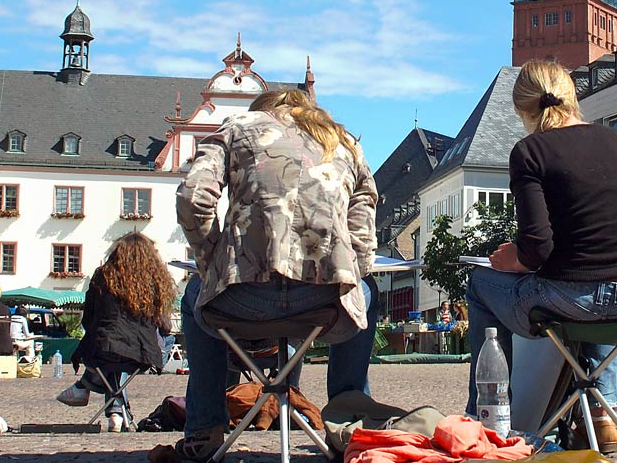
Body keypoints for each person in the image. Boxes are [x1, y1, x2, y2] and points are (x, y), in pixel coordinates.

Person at [464, 60, 617, 455]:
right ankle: (605, 410)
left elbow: (537, 249)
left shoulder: (530, 151)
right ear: (573, 98)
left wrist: (510, 260)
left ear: (523, 111)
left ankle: (488, 415)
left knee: (480, 285)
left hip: (574, 298)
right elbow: (613, 236)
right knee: (603, 287)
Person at [174, 88, 378, 461]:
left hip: (242, 298)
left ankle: (204, 429)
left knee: (192, 298)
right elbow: (364, 220)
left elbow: (193, 197)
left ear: (263, 110)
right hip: (325, 303)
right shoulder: (343, 140)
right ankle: (347, 426)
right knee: (367, 293)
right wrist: (355, 270)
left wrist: (211, 260)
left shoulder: (236, 127)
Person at [57, 231, 176, 433]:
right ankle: (115, 412)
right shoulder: (155, 281)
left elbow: (88, 318)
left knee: (112, 355)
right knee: (120, 355)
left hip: (102, 347)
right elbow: (165, 325)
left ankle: (86, 388)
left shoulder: (103, 275)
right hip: (142, 353)